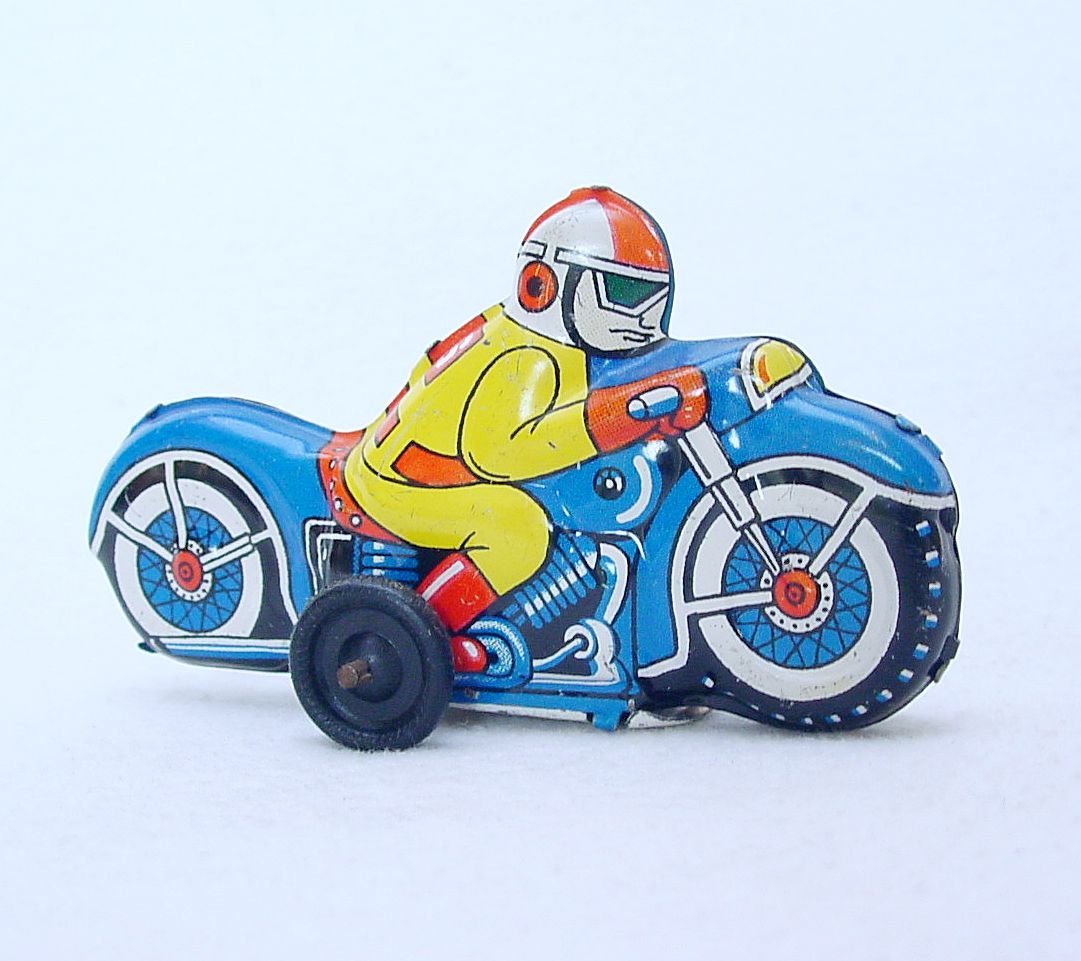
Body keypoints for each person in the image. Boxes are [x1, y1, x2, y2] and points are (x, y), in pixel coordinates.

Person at [344, 187, 708, 671]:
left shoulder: (542, 340)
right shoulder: (529, 356)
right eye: (621, 293)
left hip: (416, 471)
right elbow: (498, 455)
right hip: (409, 483)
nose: (643, 318)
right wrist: (611, 419)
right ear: (545, 283)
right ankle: (426, 637)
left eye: (650, 298)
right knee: (517, 528)